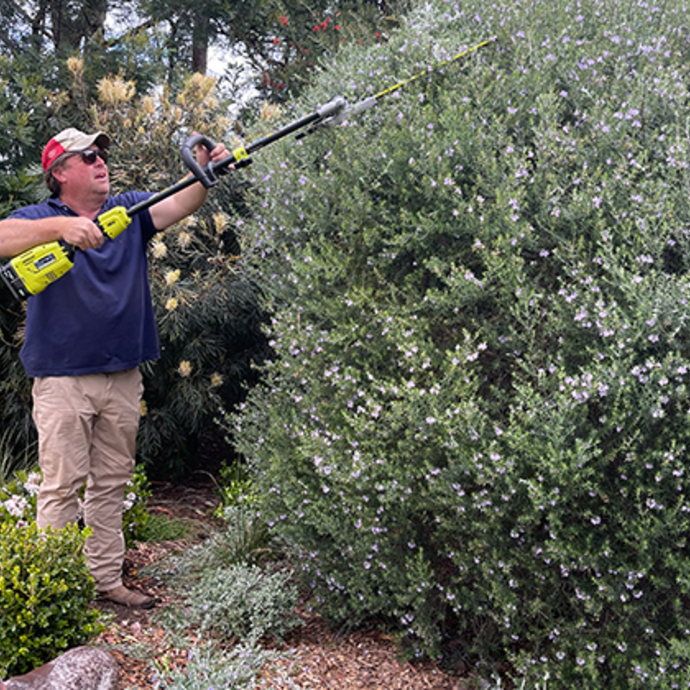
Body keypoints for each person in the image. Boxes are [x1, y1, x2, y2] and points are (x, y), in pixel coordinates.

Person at [0, 127, 231, 608]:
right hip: (62, 379)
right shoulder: (39, 217)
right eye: (87, 156)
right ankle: (54, 592)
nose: (100, 161)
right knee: (61, 487)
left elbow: (179, 203)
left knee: (112, 482)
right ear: (59, 173)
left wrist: (204, 172)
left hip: (124, 376)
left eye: (101, 154)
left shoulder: (127, 210)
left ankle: (105, 582)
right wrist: (60, 229)